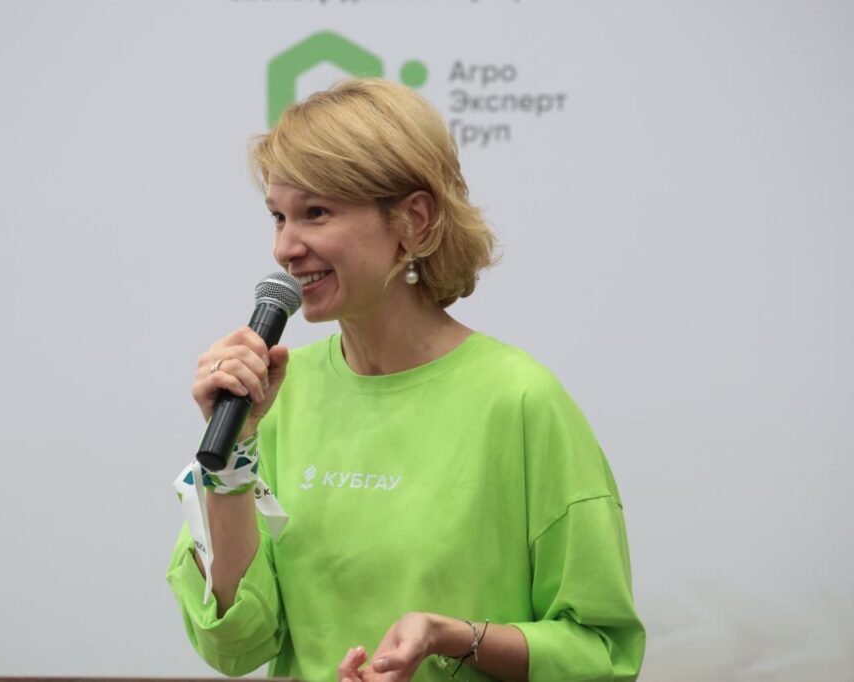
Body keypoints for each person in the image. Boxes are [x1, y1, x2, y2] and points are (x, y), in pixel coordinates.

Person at [166, 78, 645, 682]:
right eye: (278, 217)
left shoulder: (521, 400)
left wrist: (453, 637)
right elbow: (235, 646)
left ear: (414, 220)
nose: (286, 247)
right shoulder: (274, 397)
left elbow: (602, 655)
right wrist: (231, 461)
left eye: (316, 213)